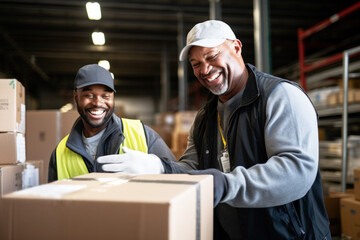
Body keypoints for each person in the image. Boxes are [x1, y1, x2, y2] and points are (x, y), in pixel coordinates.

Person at [172, 20, 330, 239]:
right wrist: (160, 169)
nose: (205, 70)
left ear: (236, 47)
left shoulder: (280, 96)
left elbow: (296, 171)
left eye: (211, 56)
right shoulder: (205, 116)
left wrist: (227, 185)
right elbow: (191, 165)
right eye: (196, 64)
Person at [48, 64, 178, 182]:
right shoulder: (60, 153)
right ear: (76, 97)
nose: (98, 103)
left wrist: (158, 167)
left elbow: (180, 176)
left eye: (105, 96)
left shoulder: (143, 135)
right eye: (89, 95)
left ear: (113, 98)